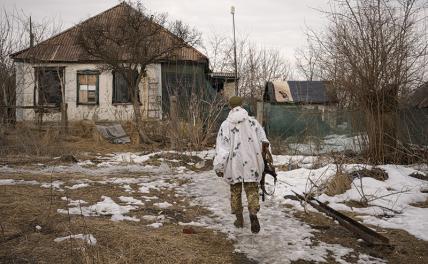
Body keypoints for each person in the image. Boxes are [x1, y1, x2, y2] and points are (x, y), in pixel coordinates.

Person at [213, 96, 269, 234]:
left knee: (235, 192)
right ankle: (253, 214)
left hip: (234, 165)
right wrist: (264, 161)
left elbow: (222, 149)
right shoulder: (253, 122)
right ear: (242, 105)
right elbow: (264, 142)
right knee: (252, 190)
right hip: (251, 162)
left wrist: (219, 166)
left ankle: (239, 219)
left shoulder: (225, 125)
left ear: (230, 106)